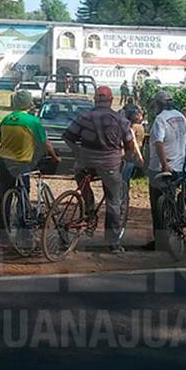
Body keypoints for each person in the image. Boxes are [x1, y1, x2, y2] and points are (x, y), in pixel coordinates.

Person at [63, 85, 140, 254]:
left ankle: (89, 212)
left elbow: (67, 136)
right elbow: (129, 145)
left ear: (95, 100)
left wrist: (78, 153)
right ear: (111, 100)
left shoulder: (84, 117)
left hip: (84, 165)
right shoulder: (120, 120)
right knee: (114, 201)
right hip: (110, 166)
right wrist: (125, 159)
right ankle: (113, 243)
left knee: (84, 186)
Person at [0, 90, 60, 244]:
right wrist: (54, 157)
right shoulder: (32, 121)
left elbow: (1, 140)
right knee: (23, 199)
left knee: (4, 198)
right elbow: (45, 143)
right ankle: (25, 236)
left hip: (3, 163)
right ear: (29, 104)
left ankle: (3, 236)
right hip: (20, 164)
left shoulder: (5, 120)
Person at [147, 91, 186, 251]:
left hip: (160, 168)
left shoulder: (160, 119)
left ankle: (161, 241)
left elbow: (158, 143)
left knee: (158, 206)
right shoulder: (179, 116)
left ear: (159, 105)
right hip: (178, 167)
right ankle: (176, 232)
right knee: (171, 199)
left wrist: (164, 164)